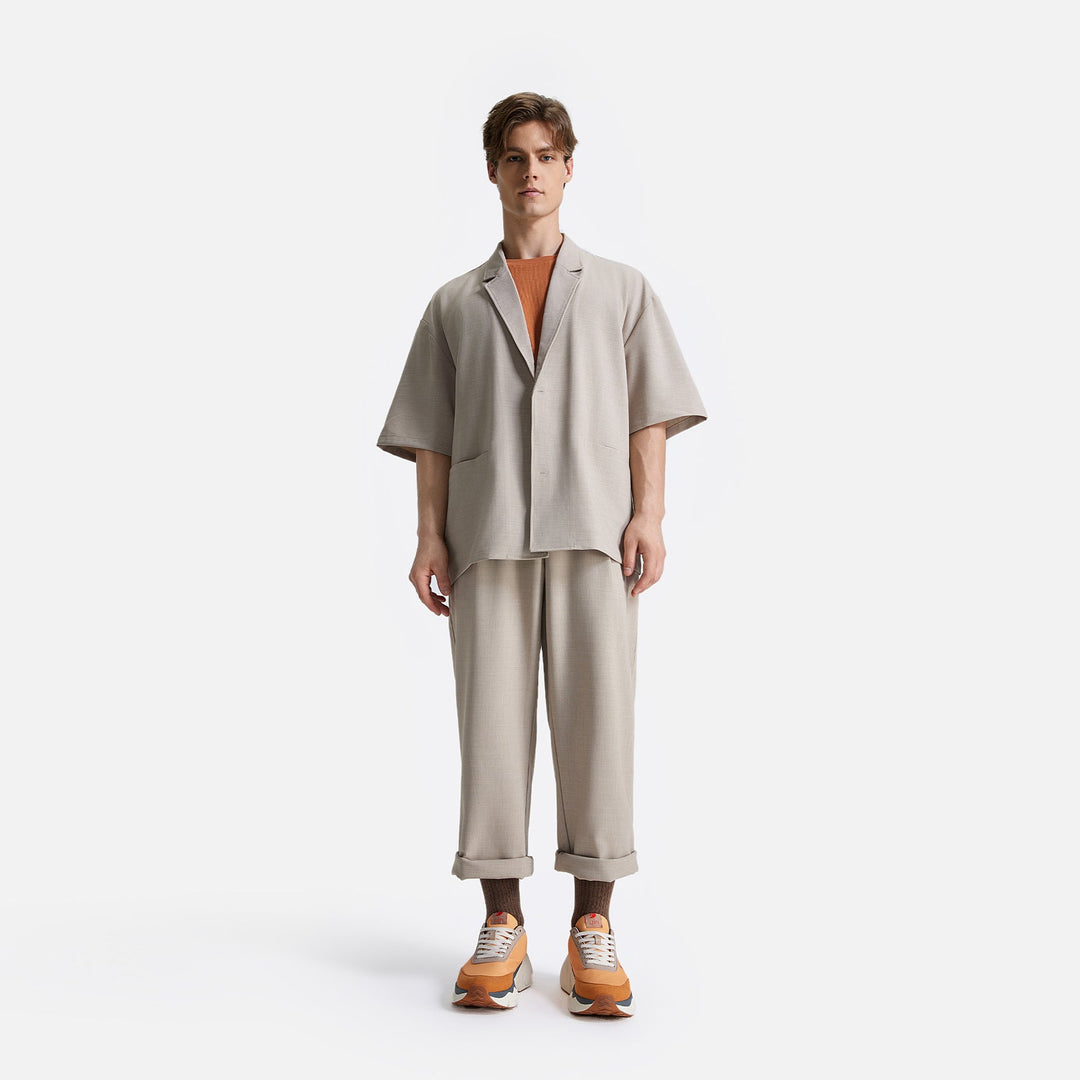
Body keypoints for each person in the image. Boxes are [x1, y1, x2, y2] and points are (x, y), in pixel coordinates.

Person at [376, 91, 707, 1017]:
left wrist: (650, 515)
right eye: (516, 157)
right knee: (490, 727)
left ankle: (593, 926)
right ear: (493, 170)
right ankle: (504, 926)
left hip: (596, 530)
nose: (532, 172)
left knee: (599, 722)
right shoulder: (454, 303)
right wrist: (429, 533)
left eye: (547, 157)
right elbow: (431, 431)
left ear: (569, 168)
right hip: (486, 535)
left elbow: (648, 413)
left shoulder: (622, 290)